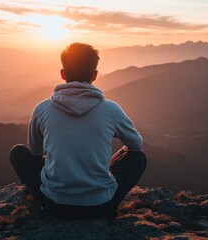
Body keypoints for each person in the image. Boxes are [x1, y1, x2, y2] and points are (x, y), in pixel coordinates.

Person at [10, 42, 146, 218]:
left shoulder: (42, 109)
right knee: (138, 158)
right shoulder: (111, 110)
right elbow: (136, 145)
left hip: (54, 204)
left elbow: (35, 152)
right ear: (95, 75)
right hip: (101, 205)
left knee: (17, 152)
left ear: (62, 73)